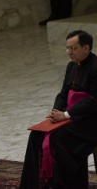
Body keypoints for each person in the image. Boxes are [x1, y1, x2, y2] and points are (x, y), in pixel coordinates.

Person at [19, 30, 97, 188]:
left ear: (86, 48)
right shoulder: (71, 66)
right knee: (36, 135)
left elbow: (94, 100)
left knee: (58, 138)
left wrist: (67, 115)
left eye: (73, 48)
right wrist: (56, 112)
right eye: (67, 48)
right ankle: (35, 185)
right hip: (70, 117)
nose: (69, 52)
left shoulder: (96, 66)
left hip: (90, 120)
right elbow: (63, 93)